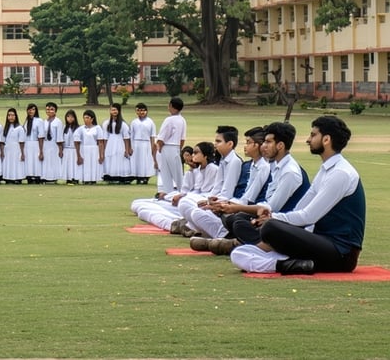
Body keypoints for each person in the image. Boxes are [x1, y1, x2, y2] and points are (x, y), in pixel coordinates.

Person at [231, 116, 363, 275]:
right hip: (317, 241)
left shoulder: (340, 173)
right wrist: (272, 216)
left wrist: (273, 219)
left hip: (341, 252)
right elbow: (302, 206)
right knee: (239, 254)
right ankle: (294, 263)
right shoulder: (326, 170)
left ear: (326, 139)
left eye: (313, 135)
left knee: (271, 227)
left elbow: (308, 217)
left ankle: (285, 264)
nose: (308, 140)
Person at [193, 123, 310, 255]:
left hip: (283, 223)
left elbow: (271, 209)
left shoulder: (290, 172)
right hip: (269, 218)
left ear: (280, 146)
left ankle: (241, 244)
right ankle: (240, 243)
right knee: (237, 219)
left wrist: (236, 208)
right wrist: (229, 206)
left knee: (239, 221)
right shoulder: (276, 166)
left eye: (267, 142)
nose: (263, 146)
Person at [155, 97, 187, 193]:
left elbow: (162, 137)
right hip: (176, 147)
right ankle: (178, 191)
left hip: (167, 147)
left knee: (166, 172)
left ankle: (171, 191)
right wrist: (179, 149)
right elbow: (182, 138)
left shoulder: (169, 120)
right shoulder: (182, 120)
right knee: (177, 172)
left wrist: (159, 147)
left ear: (171, 106)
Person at [74, 109, 106, 184]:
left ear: (92, 119)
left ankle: (93, 179)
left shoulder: (97, 128)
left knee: (93, 164)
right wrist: (78, 155)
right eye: (84, 118)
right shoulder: (81, 129)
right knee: (85, 165)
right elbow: (76, 141)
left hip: (94, 149)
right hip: (84, 149)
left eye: (88, 118)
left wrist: (101, 155)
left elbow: (101, 142)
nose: (86, 119)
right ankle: (85, 179)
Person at [102, 103, 131, 184]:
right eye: (112, 110)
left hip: (120, 143)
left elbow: (126, 138)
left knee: (119, 158)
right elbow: (105, 137)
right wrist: (104, 148)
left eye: (115, 110)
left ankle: (120, 176)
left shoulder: (123, 124)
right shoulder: (106, 123)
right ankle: (111, 177)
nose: (114, 111)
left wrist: (127, 149)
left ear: (119, 111)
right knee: (111, 158)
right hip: (110, 144)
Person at [129, 103, 157, 185]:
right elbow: (131, 135)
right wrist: (130, 146)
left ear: (146, 111)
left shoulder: (150, 122)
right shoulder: (134, 122)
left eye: (143, 110)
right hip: (136, 143)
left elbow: (152, 136)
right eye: (139, 110)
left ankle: (145, 177)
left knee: (145, 161)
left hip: (146, 143)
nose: (141, 112)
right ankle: (138, 177)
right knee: (137, 160)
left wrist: (152, 147)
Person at [0, 108, 25, 184]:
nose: (11, 117)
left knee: (16, 163)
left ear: (16, 116)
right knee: (8, 163)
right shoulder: (5, 128)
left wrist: (22, 153)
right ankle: (8, 178)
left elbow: (21, 142)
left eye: (13, 115)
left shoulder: (19, 128)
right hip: (7, 149)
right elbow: (2, 141)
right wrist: (2, 151)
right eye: (9, 115)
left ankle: (17, 178)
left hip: (16, 149)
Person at [39, 102, 63, 183]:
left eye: (52, 109)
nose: (49, 111)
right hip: (46, 144)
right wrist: (41, 149)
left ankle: (54, 178)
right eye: (48, 109)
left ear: (55, 110)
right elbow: (42, 135)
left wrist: (60, 149)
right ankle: (46, 177)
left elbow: (59, 137)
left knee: (54, 161)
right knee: (46, 161)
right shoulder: (44, 122)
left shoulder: (58, 122)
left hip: (54, 144)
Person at [23, 103, 43, 184]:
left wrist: (41, 150)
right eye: (30, 109)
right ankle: (29, 177)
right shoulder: (26, 121)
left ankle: (37, 177)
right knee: (29, 161)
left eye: (33, 109)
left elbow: (41, 136)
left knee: (36, 161)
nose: (31, 111)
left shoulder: (39, 121)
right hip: (27, 144)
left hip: (36, 144)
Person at [61, 110, 81, 184]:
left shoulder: (78, 128)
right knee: (68, 165)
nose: (70, 118)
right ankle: (68, 178)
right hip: (66, 149)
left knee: (74, 164)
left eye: (72, 117)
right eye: (68, 117)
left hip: (74, 149)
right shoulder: (64, 128)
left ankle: (75, 178)